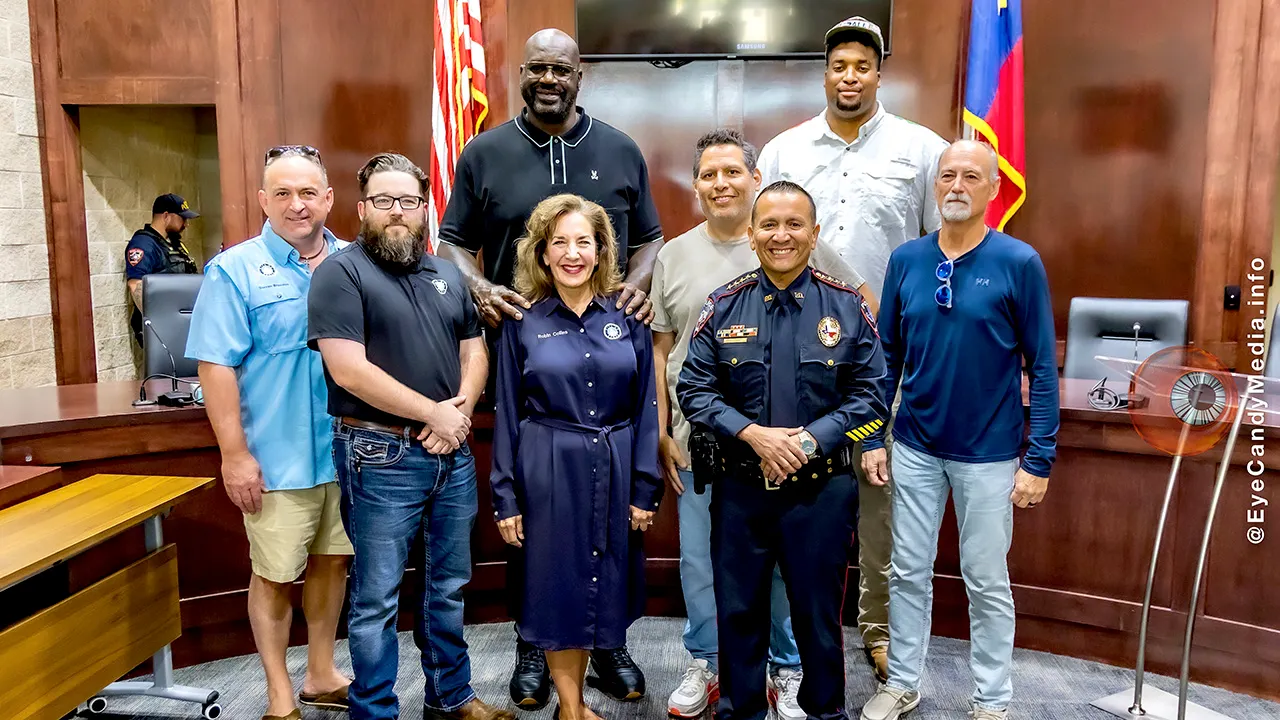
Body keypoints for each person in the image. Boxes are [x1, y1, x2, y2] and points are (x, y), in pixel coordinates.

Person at [437, 27, 660, 707]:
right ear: (524, 75)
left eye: (559, 69)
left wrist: (638, 286)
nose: (548, 79)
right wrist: (478, 287)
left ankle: (609, 644)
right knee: (536, 518)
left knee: (607, 525)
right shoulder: (485, 151)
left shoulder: (620, 148)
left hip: (608, 339)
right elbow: (449, 241)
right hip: (525, 347)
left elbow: (649, 237)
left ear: (579, 73)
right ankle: (533, 646)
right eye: (536, 68)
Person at [651, 129, 874, 720]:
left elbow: (871, 398)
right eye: (769, 226)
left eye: (794, 225)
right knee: (739, 612)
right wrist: (752, 435)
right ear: (752, 235)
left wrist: (809, 439)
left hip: (821, 488)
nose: (781, 236)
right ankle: (741, 710)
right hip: (741, 488)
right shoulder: (721, 307)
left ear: (814, 233)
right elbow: (694, 390)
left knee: (818, 617)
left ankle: (825, 712)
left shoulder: (846, 308)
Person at [756, 15, 948, 682]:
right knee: (794, 483)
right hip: (794, 352)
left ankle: (878, 628)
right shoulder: (782, 151)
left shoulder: (922, 150)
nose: (849, 77)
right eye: (839, 65)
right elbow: (764, 245)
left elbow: (933, 251)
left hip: (880, 355)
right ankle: (790, 636)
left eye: (862, 66)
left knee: (878, 495)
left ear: (878, 72)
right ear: (826, 72)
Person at [858, 141, 1059, 720]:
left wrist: (1038, 459)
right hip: (915, 445)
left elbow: (1042, 366)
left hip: (990, 455)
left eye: (971, 176)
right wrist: (874, 436)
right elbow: (885, 358)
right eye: (946, 175)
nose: (956, 186)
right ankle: (901, 682)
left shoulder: (1019, 262)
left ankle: (992, 700)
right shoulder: (907, 260)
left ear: (995, 189)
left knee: (986, 579)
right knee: (907, 572)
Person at [308, 153, 510, 720]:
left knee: (447, 586)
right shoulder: (341, 273)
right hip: (378, 455)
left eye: (409, 202)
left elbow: (475, 351)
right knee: (376, 599)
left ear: (426, 210)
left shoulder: (446, 272)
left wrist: (460, 411)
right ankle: (375, 710)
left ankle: (451, 696)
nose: (397, 212)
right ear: (362, 208)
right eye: (384, 201)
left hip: (453, 454)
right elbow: (348, 369)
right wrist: (435, 415)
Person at [186, 146, 352, 720]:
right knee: (276, 574)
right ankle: (279, 692)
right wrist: (234, 455)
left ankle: (323, 673)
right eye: (282, 193)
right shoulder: (233, 269)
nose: (296, 205)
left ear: (328, 199)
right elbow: (215, 366)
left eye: (308, 192)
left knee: (334, 562)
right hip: (275, 458)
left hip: (350, 453)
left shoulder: (356, 262)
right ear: (262, 200)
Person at [489, 193, 662, 720]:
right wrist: (505, 497)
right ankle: (572, 705)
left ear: (600, 250)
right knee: (558, 584)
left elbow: (647, 408)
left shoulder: (628, 317)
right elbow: (507, 413)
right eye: (558, 242)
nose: (571, 253)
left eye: (583, 241)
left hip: (614, 459)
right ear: (541, 254)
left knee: (603, 581)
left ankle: (578, 698)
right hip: (548, 469)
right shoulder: (522, 321)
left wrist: (644, 487)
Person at [127, 193, 200, 346]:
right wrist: (160, 323)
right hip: (161, 329)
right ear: (166, 216)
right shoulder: (144, 244)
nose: (186, 224)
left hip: (181, 324)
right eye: (182, 218)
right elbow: (136, 286)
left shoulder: (173, 244)